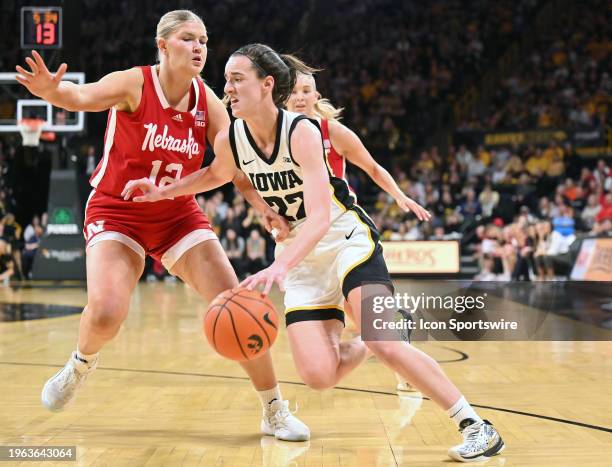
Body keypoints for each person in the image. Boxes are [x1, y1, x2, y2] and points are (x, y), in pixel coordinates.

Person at [122, 43, 505, 462]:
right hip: (300, 257)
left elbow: (322, 216)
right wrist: (162, 191)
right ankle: (381, 336)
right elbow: (215, 174)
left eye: (236, 80)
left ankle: (475, 426)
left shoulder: (302, 131)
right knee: (320, 376)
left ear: (267, 85)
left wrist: (278, 265)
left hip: (345, 242)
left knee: (384, 340)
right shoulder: (232, 137)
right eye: (226, 80)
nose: (226, 89)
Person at [15, 11, 308, 441]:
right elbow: (80, 96)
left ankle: (274, 409)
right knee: (107, 311)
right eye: (188, 38)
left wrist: (261, 206)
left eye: (204, 40)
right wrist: (52, 91)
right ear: (163, 45)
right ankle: (80, 364)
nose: (199, 47)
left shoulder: (207, 100)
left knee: (237, 304)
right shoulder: (135, 83)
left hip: (176, 213)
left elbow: (235, 163)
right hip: (118, 210)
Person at [286, 72, 427, 391]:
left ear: (315, 96)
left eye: (306, 91)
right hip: (306, 240)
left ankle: (405, 368)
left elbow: (373, 167)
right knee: (362, 327)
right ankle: (393, 338)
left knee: (365, 318)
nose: (300, 97)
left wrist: (399, 195)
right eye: (294, 91)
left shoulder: (331, 131)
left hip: (339, 233)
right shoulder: (276, 136)